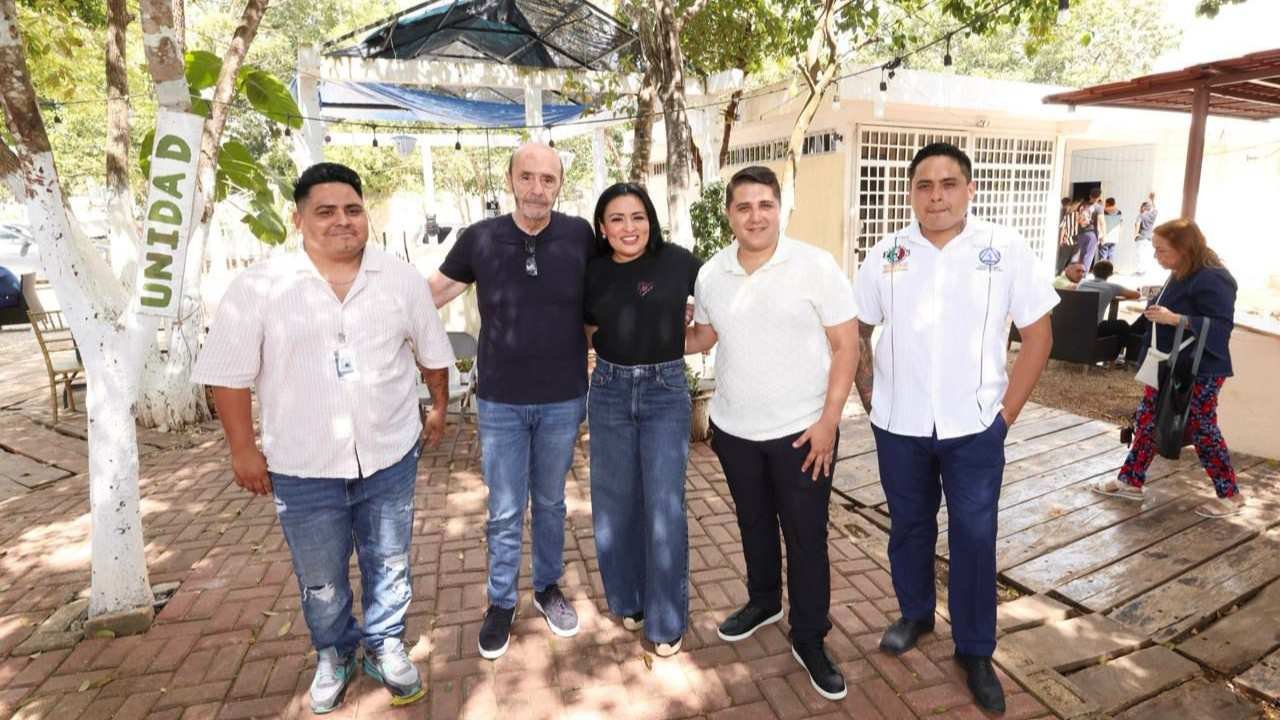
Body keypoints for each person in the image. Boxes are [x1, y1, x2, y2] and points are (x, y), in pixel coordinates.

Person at [192, 162, 453, 713]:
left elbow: (432, 354)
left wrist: (438, 406)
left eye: (352, 210)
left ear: (366, 216)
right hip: (303, 464)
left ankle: (385, 644)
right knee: (320, 578)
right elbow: (228, 374)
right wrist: (243, 449)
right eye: (326, 211)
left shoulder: (401, 279)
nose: (342, 221)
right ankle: (334, 651)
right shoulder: (260, 285)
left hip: (388, 452)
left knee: (390, 560)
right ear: (298, 218)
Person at [853, 143, 1057, 714]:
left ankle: (974, 649)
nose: (936, 195)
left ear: (970, 189)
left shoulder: (1005, 250)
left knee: (973, 537)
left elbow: (1038, 337)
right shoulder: (886, 253)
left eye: (948, 183)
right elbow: (858, 328)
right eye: (924, 184)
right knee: (909, 528)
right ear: (911, 192)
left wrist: (1005, 417)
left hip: (975, 429)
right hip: (900, 426)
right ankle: (915, 614)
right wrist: (871, 401)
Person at [685, 165, 858, 701]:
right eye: (743, 207)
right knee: (753, 523)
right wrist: (641, 325)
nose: (755, 216)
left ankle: (809, 637)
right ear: (729, 214)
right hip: (734, 429)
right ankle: (764, 601)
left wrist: (829, 419)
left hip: (803, 432)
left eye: (764, 205)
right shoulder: (712, 273)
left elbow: (847, 347)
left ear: (780, 208)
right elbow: (705, 336)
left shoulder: (815, 265)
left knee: (807, 538)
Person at [428, 142, 593, 659]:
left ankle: (547, 588)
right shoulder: (479, 239)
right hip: (499, 401)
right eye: (528, 177)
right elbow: (428, 294)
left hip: (564, 399)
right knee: (502, 509)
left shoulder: (581, 235)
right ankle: (500, 602)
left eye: (548, 179)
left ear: (559, 184)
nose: (537, 189)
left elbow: (614, 286)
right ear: (510, 179)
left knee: (549, 502)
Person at [584, 182, 701, 658]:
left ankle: (666, 617)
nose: (628, 228)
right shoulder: (590, 271)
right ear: (602, 227)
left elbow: (711, 319)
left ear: (650, 220)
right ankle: (628, 598)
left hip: (665, 393)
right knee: (614, 503)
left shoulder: (680, 262)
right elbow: (591, 333)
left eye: (637, 217)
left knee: (663, 505)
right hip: (609, 392)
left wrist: (673, 350)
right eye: (617, 218)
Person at [1092, 219, 1243, 518]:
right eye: (1155, 249)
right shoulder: (1179, 272)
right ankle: (1130, 480)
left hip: (1200, 368)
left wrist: (1175, 319)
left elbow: (1221, 326)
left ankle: (1231, 495)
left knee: (1202, 428)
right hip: (1166, 362)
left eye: (1162, 250)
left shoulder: (1214, 278)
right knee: (1147, 420)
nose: (1156, 256)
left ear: (1183, 248)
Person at [1078, 260, 1142, 362]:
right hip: (1095, 329)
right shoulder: (1111, 287)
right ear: (1110, 274)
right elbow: (1136, 295)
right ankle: (1117, 356)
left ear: (1093, 272)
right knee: (1123, 325)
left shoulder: (1081, 284)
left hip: (1076, 327)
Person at [1074, 188, 1104, 271]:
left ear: (1090, 195)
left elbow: (1077, 219)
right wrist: (1103, 236)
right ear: (1099, 197)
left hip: (1081, 232)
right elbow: (1102, 222)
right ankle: (1083, 274)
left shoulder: (1081, 205)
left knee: (1081, 254)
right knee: (1089, 255)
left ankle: (1077, 272)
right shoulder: (1098, 207)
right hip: (1092, 233)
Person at [1134, 193, 1157, 276]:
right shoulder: (1152, 215)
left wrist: (1136, 234)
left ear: (1143, 208)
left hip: (1141, 237)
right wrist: (1152, 199)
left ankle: (1139, 271)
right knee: (1146, 255)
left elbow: (1137, 223)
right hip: (1149, 238)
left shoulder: (1141, 215)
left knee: (1139, 255)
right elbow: (1155, 209)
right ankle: (1145, 271)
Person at [1056, 197, 1078, 273]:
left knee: (1064, 257)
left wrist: (1061, 239)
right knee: (1074, 257)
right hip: (1077, 239)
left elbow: (1063, 228)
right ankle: (1070, 273)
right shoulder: (1078, 214)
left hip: (1068, 239)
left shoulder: (1066, 215)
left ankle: (1059, 272)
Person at [1098, 197, 1123, 262]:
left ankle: (1102, 269)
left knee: (1103, 254)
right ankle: (1109, 269)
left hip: (1105, 235)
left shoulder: (1103, 211)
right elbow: (1120, 224)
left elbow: (1101, 222)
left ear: (1108, 203)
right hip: (1114, 236)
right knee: (1111, 254)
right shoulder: (1119, 212)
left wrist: (1100, 205)